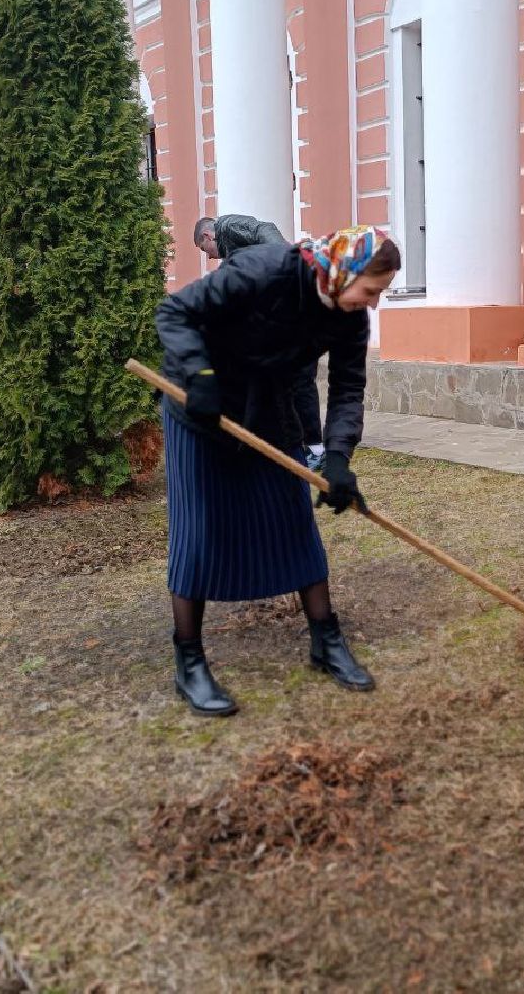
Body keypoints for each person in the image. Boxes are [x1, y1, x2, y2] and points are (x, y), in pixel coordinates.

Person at [156, 226, 401, 717]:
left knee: (294, 520)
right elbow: (174, 311)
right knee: (200, 530)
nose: (373, 304)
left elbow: (348, 388)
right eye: (372, 291)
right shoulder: (264, 269)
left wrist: (337, 460)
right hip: (199, 406)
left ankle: (325, 641)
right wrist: (200, 376)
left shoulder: (348, 319)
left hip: (267, 405)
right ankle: (190, 660)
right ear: (343, 270)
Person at [193, 214, 326, 471]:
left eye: (204, 250)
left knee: (300, 381)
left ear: (208, 236)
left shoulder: (227, 226)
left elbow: (266, 227)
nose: (209, 257)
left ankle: (316, 449)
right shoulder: (234, 260)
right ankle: (302, 446)